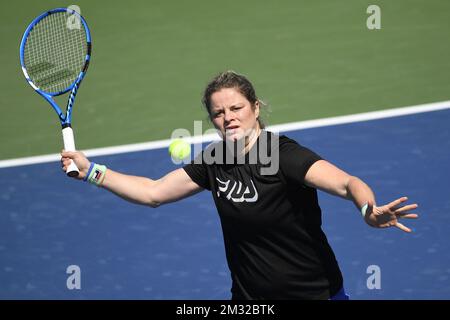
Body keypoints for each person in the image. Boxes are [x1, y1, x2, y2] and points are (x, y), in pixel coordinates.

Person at [61, 70, 419, 300]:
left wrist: (367, 209)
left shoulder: (284, 155)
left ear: (255, 107)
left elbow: (346, 183)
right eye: (218, 112)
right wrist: (93, 170)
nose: (228, 117)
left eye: (236, 108)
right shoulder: (214, 161)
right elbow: (154, 193)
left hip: (314, 294)